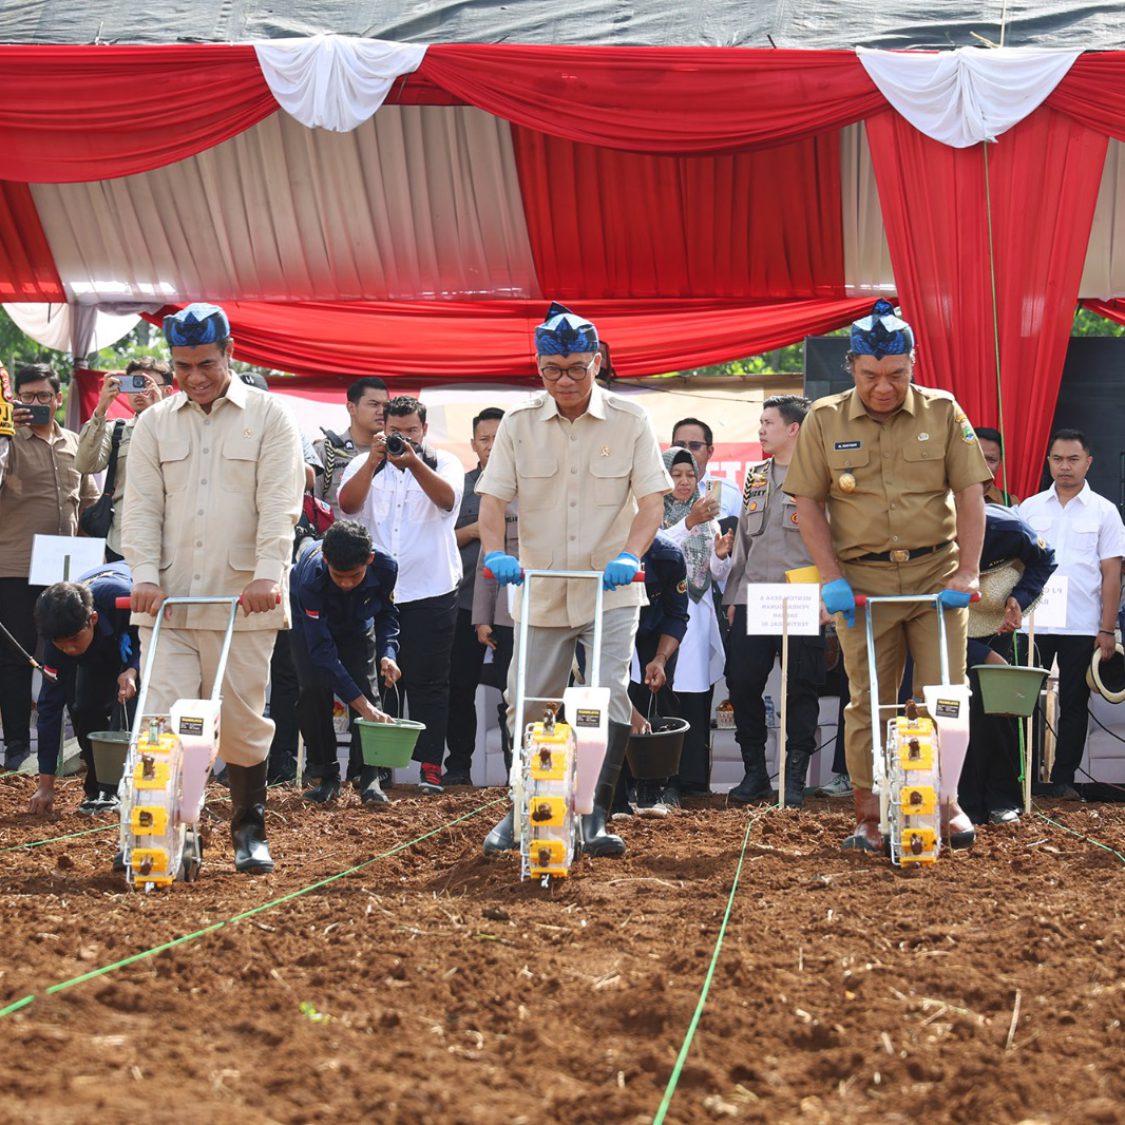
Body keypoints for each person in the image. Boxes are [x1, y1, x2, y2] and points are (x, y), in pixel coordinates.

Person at [784, 299, 993, 852]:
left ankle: (945, 801)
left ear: (912, 366)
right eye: (872, 375)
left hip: (936, 580)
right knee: (868, 701)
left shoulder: (944, 412)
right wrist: (830, 579)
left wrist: (968, 570)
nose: (884, 387)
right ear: (851, 366)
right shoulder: (824, 421)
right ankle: (869, 813)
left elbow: (972, 497)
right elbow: (807, 503)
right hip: (862, 585)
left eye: (897, 375)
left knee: (945, 695)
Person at [477, 302, 670, 858]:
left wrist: (631, 554)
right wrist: (494, 554)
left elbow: (652, 502)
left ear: (597, 362)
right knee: (525, 701)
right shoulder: (517, 425)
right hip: (540, 588)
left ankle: (594, 816)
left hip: (610, 590)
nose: (564, 381)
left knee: (606, 696)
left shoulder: (630, 421)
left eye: (576, 369)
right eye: (552, 370)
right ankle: (521, 811)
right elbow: (492, 500)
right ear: (538, 367)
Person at [123, 303, 305, 874]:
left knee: (242, 723)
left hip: (243, 603)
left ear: (229, 354)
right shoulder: (154, 423)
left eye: (206, 362)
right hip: (169, 604)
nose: (195, 376)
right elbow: (142, 508)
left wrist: (267, 575)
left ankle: (250, 827)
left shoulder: (270, 417)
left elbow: (281, 505)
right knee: (164, 720)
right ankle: (175, 828)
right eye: (183, 365)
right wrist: (144, 576)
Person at [338, 394, 463, 794]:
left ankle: (430, 766)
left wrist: (413, 463)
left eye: (411, 431)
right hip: (374, 591)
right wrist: (376, 462)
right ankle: (373, 769)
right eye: (395, 432)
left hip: (431, 589)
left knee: (430, 682)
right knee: (371, 679)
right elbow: (347, 505)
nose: (403, 439)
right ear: (383, 430)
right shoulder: (365, 463)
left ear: (423, 430)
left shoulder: (444, 462)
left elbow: (448, 502)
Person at [723, 394, 825, 809]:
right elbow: (746, 542)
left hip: (802, 595)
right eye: (760, 422)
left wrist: (829, 595)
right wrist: (733, 594)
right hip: (753, 596)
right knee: (742, 681)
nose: (761, 430)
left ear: (793, 428)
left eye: (768, 422)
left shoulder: (822, 479)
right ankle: (755, 773)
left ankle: (795, 777)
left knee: (800, 687)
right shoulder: (757, 476)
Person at [0, 363, 99, 771]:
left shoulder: (75, 443)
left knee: (72, 652)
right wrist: (4, 427)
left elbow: (90, 502)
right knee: (16, 659)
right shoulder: (8, 441)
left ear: (59, 399)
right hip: (15, 564)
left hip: (67, 571)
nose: (36, 404)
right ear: (15, 399)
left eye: (44, 396)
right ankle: (17, 750)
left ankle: (80, 749)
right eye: (27, 397)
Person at [1018, 429, 1125, 798]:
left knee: (1075, 703)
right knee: (1022, 702)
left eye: (1073, 459)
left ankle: (1063, 780)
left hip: (1082, 624)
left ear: (1088, 462)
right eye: (1058, 459)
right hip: (1032, 623)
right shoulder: (1028, 509)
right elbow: (1015, 566)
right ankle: (1025, 780)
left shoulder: (1104, 511)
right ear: (1048, 461)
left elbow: (1113, 574)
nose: (1065, 467)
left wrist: (1107, 629)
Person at [289, 520, 399, 806]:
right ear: (326, 561)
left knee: (368, 688)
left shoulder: (386, 567)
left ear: (370, 560)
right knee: (314, 690)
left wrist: (389, 652)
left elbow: (387, 613)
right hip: (311, 630)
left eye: (355, 575)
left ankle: (370, 777)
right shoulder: (309, 577)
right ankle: (325, 775)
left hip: (357, 626)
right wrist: (359, 704)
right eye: (339, 576)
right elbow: (322, 652)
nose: (347, 583)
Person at [960, 505, 1057, 824]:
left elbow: (1046, 559)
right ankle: (963, 802)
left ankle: (1003, 799)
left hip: (998, 625)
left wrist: (1020, 596)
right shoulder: (925, 532)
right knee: (954, 712)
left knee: (999, 711)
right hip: (941, 627)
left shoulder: (1010, 530)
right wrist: (979, 655)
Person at [28, 563, 139, 816]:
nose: (69, 649)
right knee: (85, 707)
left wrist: (133, 669)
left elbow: (151, 633)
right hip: (98, 652)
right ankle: (98, 789)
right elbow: (50, 708)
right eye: (60, 643)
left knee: (129, 706)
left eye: (74, 640)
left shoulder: (122, 596)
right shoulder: (57, 638)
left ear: (93, 619)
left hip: (133, 634)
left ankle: (119, 789)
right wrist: (46, 785)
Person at [659, 447, 733, 805]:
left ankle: (693, 780)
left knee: (696, 697)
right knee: (669, 694)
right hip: (665, 616)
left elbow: (715, 576)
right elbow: (654, 548)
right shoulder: (652, 512)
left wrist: (720, 555)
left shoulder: (708, 518)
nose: (685, 482)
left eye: (690, 475)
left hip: (700, 616)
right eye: (676, 475)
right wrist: (688, 523)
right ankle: (665, 779)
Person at [444, 407, 505, 786]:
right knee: (459, 688)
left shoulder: (528, 486)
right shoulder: (458, 486)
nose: (493, 446)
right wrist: (477, 530)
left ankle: (519, 767)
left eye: (501, 438)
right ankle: (458, 766)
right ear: (473, 445)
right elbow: (438, 540)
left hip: (514, 606)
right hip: (464, 603)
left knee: (516, 690)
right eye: (485, 439)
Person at [76, 358, 176, 562]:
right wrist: (101, 409)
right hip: (122, 541)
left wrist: (157, 416)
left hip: (172, 541)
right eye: (133, 385)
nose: (139, 392)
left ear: (167, 391)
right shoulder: (117, 430)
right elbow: (85, 464)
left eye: (147, 385)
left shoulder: (182, 427)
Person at [620, 531, 690, 817]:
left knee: (660, 691)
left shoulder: (669, 557)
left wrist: (660, 659)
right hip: (611, 623)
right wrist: (629, 710)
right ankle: (616, 791)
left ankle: (659, 787)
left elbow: (677, 614)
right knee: (609, 698)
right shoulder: (599, 551)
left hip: (655, 626)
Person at [472, 497, 519, 774]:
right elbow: (485, 565)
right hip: (507, 616)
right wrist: (481, 620)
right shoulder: (502, 504)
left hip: (554, 616)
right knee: (509, 695)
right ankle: (512, 774)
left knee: (553, 697)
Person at [313, 376, 390, 517]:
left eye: (385, 406)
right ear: (351, 408)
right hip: (337, 537)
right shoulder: (326, 451)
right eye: (374, 404)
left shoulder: (395, 453)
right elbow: (311, 506)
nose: (381, 411)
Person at [671, 417, 742, 520]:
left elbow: (742, 534)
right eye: (679, 445)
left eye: (694, 446)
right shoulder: (659, 490)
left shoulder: (727, 491)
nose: (686, 451)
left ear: (709, 451)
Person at [976, 426, 1019, 506]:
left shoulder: (1010, 503)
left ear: (1000, 463)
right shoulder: (947, 498)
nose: (984, 466)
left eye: (991, 460)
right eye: (977, 457)